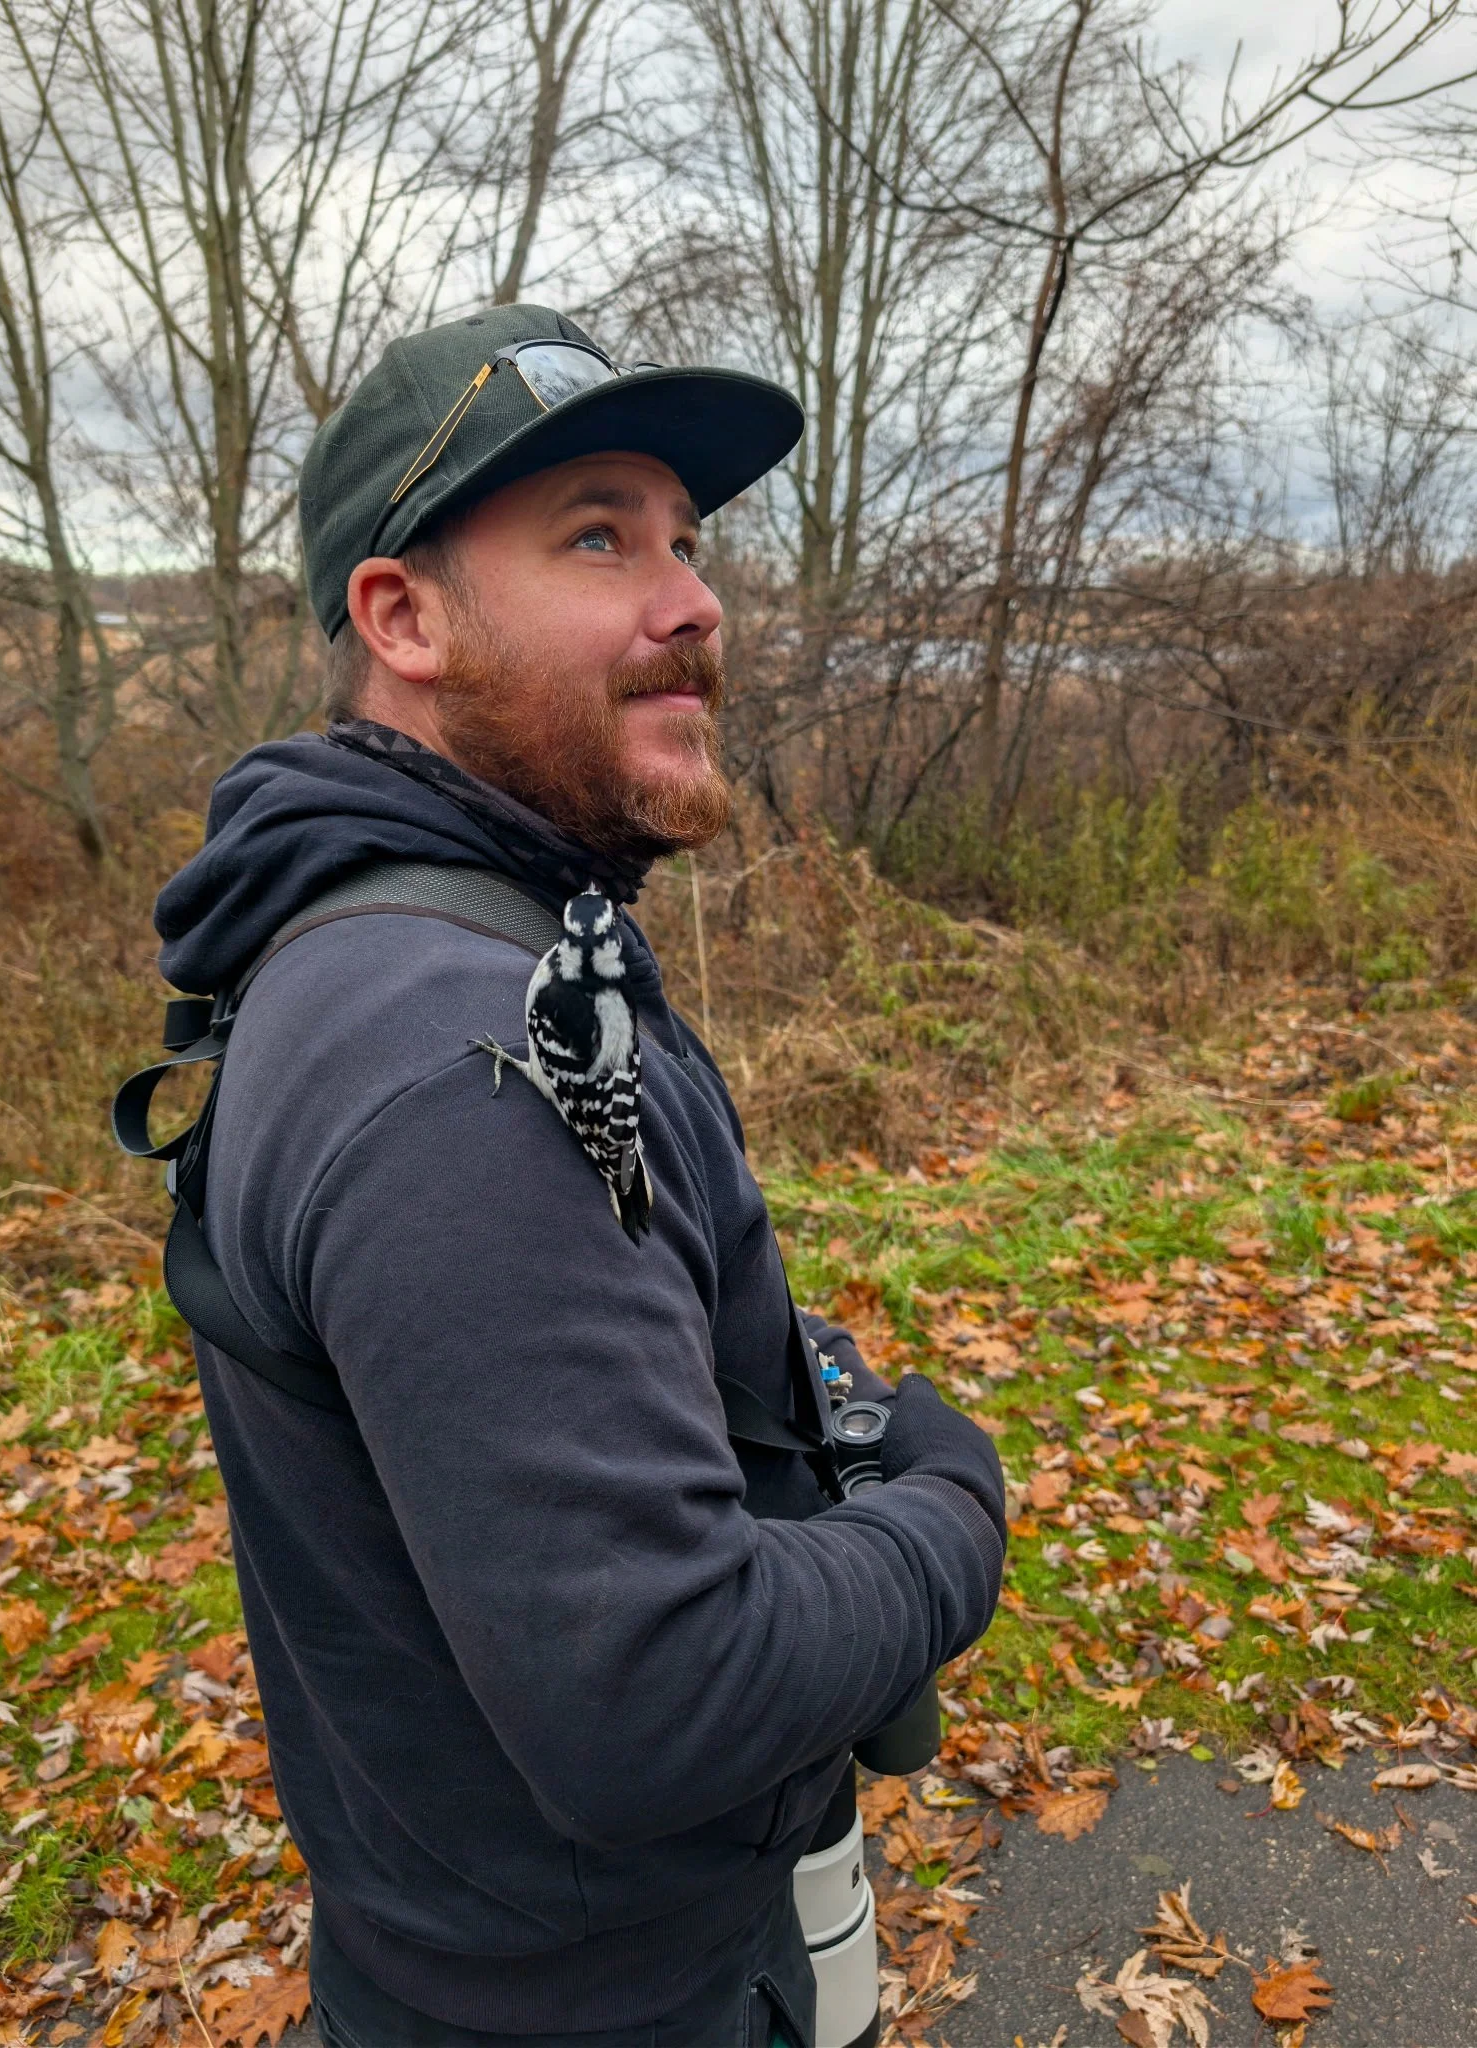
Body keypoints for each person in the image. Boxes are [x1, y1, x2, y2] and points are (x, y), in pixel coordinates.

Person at [151, 303, 1006, 2048]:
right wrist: (951, 1518)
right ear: (403, 617)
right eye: (597, 536)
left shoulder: (442, 937)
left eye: (688, 541)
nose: (692, 601)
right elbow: (657, 1694)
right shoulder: (451, 1048)